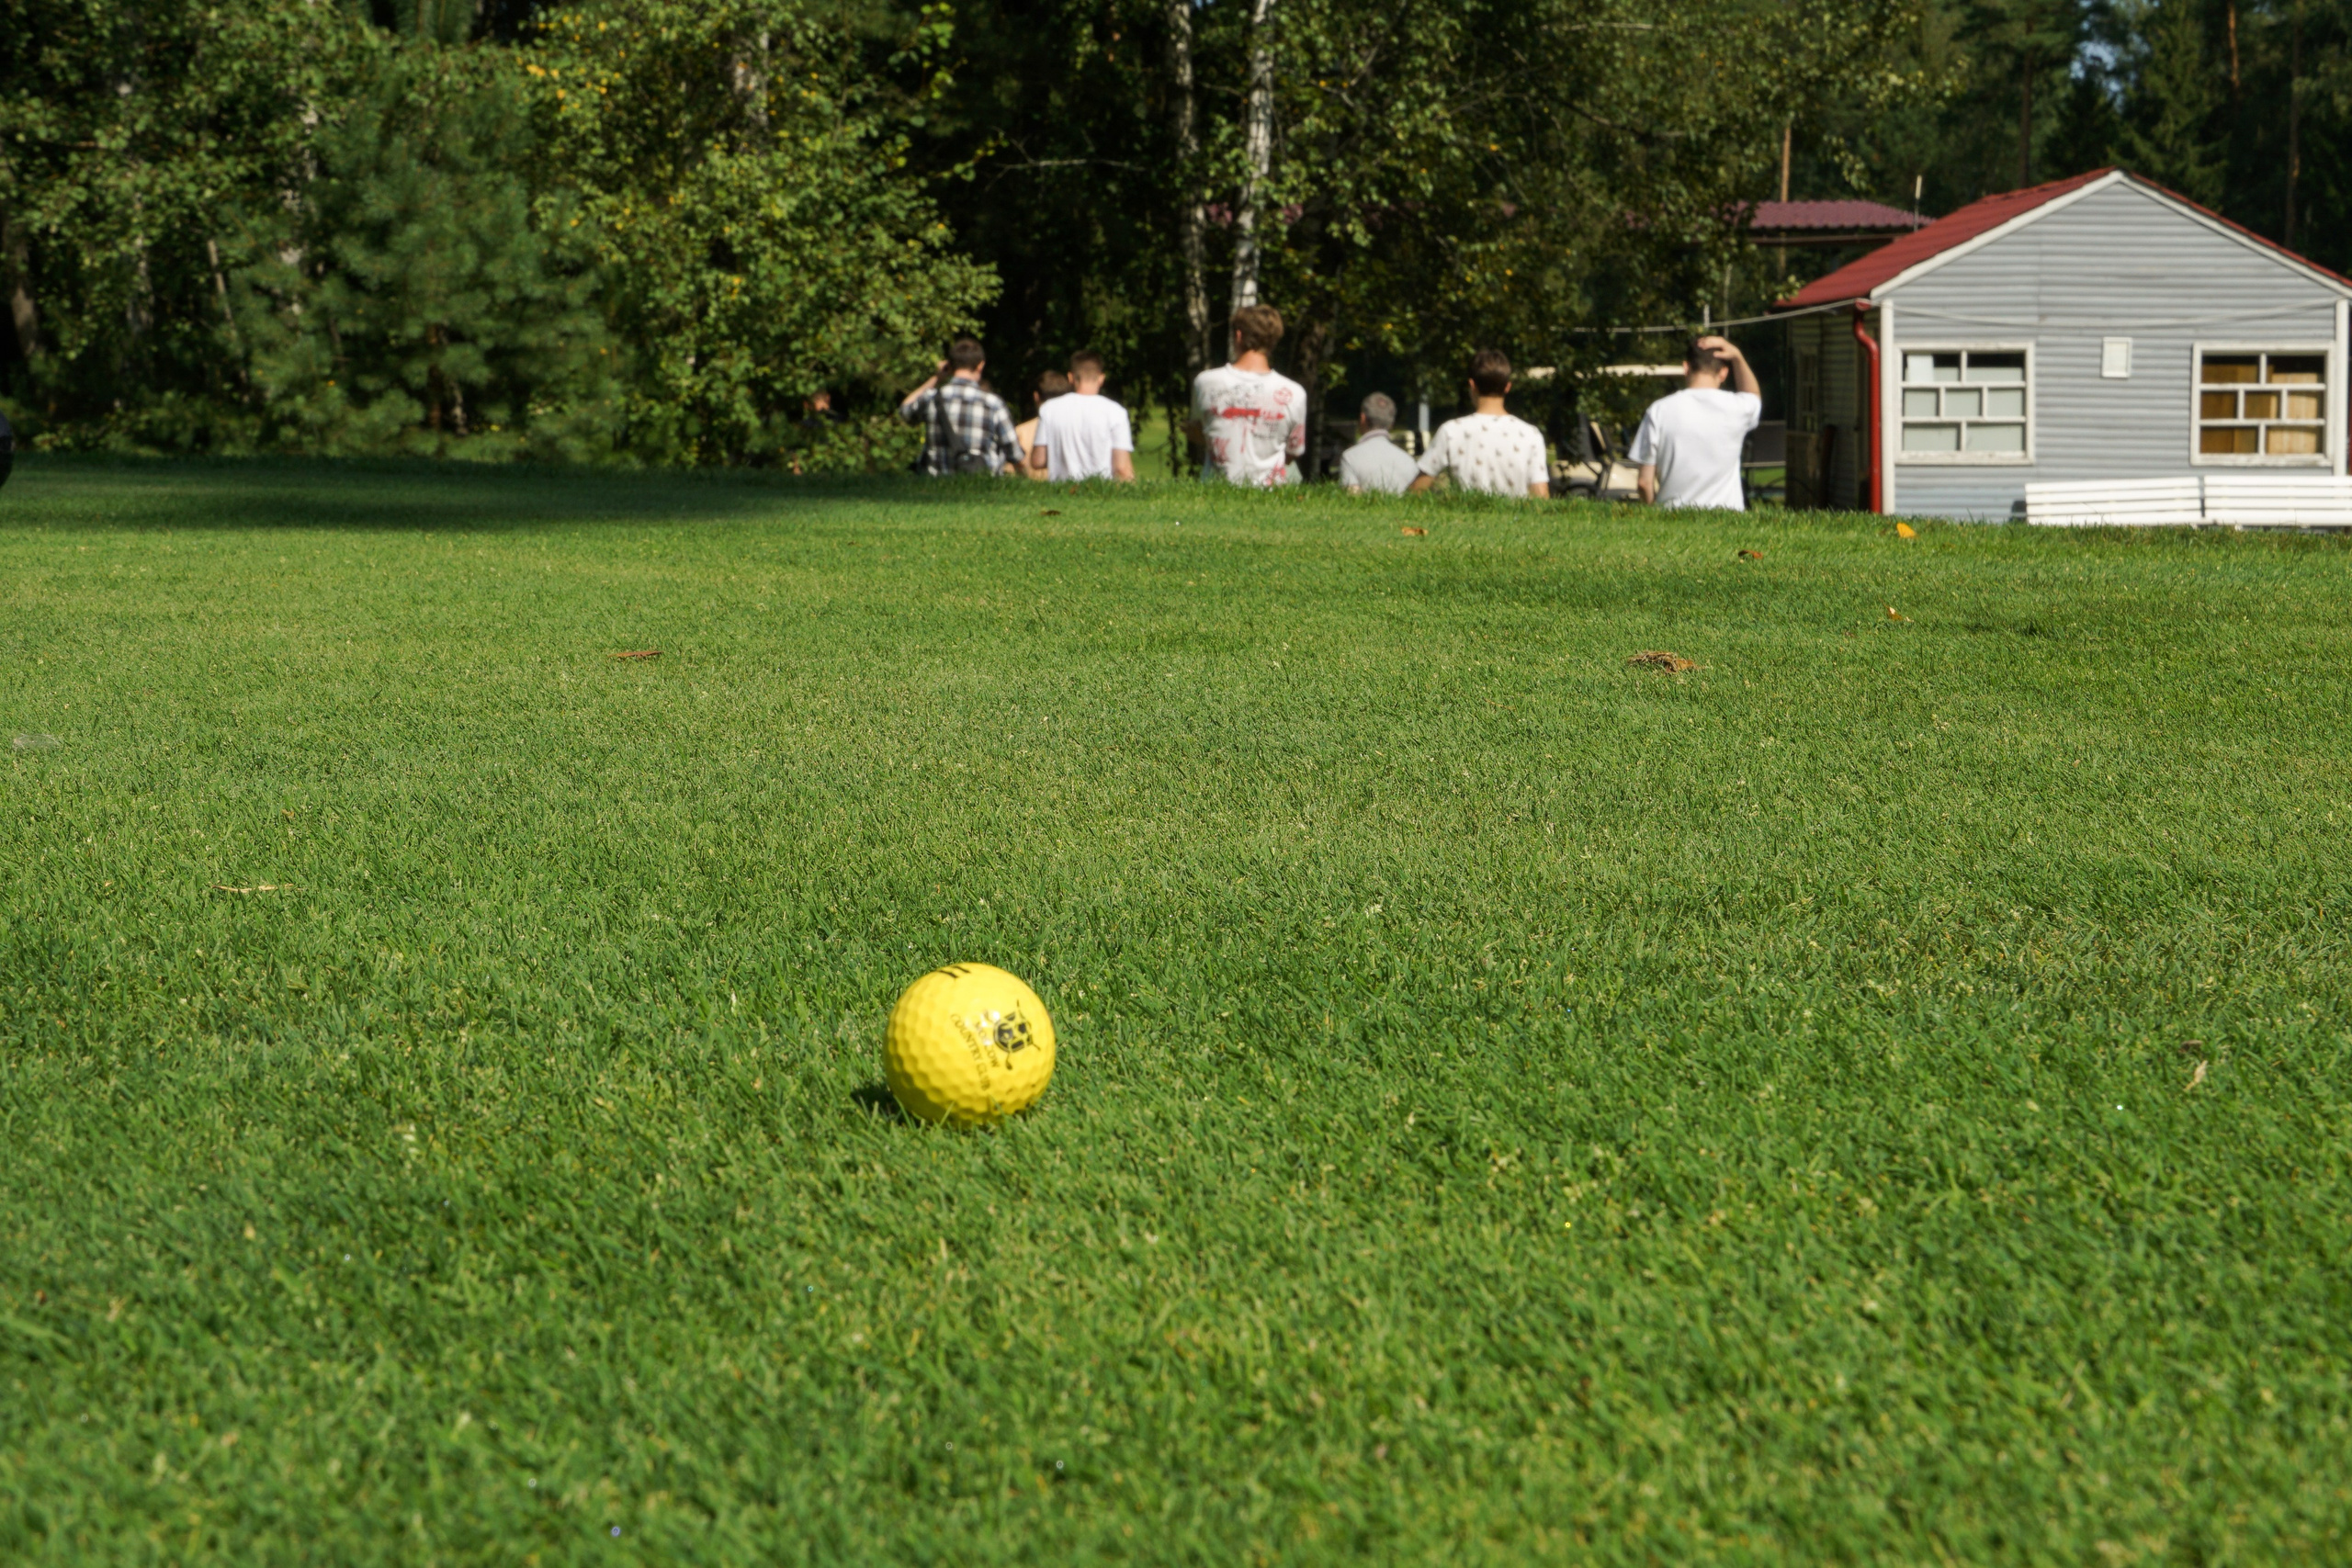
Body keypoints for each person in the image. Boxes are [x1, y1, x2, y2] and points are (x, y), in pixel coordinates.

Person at [1628, 334, 1762, 509]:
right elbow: (1753, 395)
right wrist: (1737, 356)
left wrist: (1655, 513)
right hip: (1727, 517)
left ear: (1686, 367)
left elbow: (1644, 483)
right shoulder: (1737, 408)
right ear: (1723, 373)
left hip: (1672, 516)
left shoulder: (1659, 410)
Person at [1190, 304, 1307, 487]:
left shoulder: (1205, 382)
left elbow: (1199, 429)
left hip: (1215, 491)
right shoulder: (1295, 393)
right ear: (1274, 340)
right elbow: (1293, 452)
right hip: (1271, 495)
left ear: (1238, 335)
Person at [1407, 350, 1550, 499]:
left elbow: (1417, 489)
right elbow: (1540, 495)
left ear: (1472, 385)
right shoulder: (1530, 434)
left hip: (1464, 512)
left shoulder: (1451, 431)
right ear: (1507, 387)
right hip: (1515, 513)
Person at [897, 336, 1023, 477]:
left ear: (949, 366)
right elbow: (1014, 453)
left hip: (936, 483)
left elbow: (904, 411)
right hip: (981, 483)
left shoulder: (931, 398)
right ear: (980, 366)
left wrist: (936, 377)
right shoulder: (993, 403)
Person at [1028, 351, 1136, 482]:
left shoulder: (1049, 409)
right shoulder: (1115, 412)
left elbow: (1038, 460)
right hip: (1101, 490)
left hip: (1060, 490)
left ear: (1070, 378)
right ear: (1101, 378)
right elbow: (1121, 468)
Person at [1337, 392, 1420, 495]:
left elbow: (1352, 497)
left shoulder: (1350, 457)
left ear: (1362, 418)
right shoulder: (1410, 461)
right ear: (1392, 424)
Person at [1013, 370, 1072, 479]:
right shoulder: (1076, 428)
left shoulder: (1020, 432)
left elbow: (1009, 473)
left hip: (1030, 488)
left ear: (1036, 396)